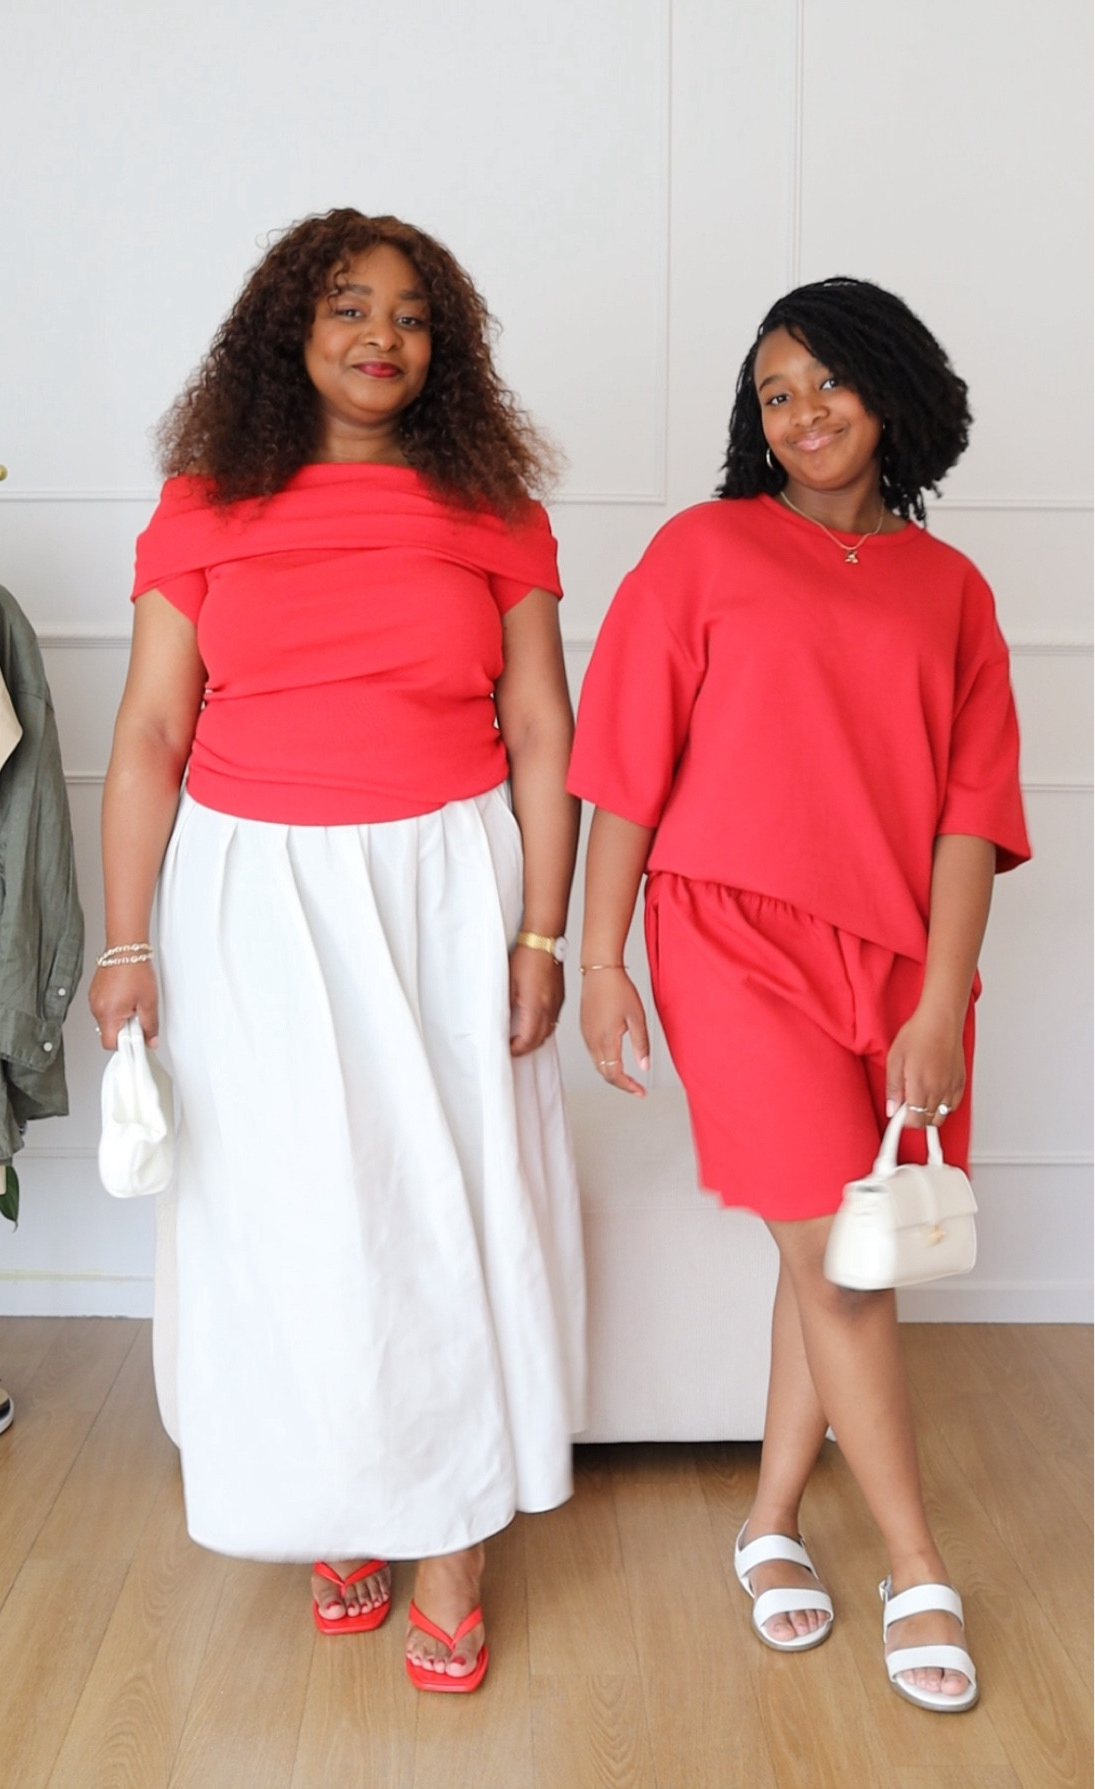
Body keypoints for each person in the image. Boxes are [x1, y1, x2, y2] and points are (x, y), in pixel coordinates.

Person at [90, 208, 585, 1693]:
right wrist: (125, 943)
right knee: (288, 1211)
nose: (382, 334)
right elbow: (149, 735)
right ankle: (336, 1493)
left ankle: (450, 1535)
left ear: (445, 349)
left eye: (412, 314)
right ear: (285, 332)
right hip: (246, 891)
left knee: (444, 1203)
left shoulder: (488, 500)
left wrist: (543, 924)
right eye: (347, 305)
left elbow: (547, 729)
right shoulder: (202, 503)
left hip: (443, 877)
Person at [568, 277, 1029, 1714]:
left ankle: (768, 1523)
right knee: (840, 1255)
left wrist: (941, 996)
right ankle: (914, 1561)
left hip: (896, 959)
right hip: (728, 941)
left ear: (889, 391)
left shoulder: (951, 591)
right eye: (774, 393)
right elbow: (622, 770)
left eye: (827, 380)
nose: (803, 410)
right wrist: (598, 959)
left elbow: (970, 809)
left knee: (828, 1251)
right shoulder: (700, 552)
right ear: (751, 425)